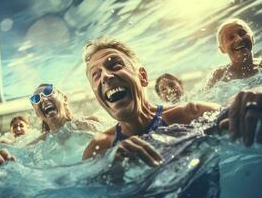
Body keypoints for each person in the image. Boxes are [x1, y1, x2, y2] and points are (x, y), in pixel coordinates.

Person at [81, 36, 262, 166]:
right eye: (95, 75)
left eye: (115, 65)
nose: (105, 76)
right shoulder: (98, 149)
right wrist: (112, 173)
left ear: (143, 77)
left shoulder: (193, 115)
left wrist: (254, 96)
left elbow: (237, 115)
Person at [27, 83, 99, 145]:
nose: (43, 99)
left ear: (64, 98)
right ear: (37, 113)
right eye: (36, 99)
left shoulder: (91, 123)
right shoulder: (37, 145)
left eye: (48, 91)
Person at [207, 18, 262, 88]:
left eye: (242, 33)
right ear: (222, 49)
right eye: (230, 37)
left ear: (252, 38)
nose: (239, 39)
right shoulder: (219, 76)